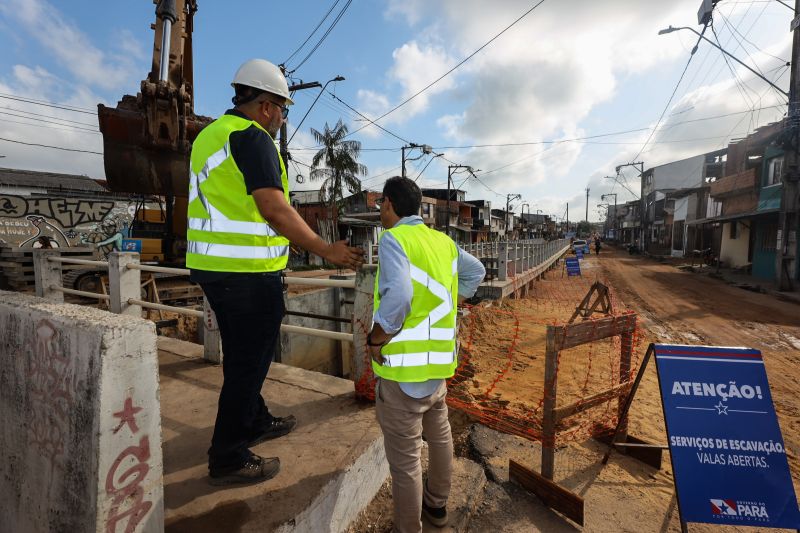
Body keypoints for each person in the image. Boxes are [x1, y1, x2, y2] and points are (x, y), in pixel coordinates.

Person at [187, 58, 364, 485]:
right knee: (249, 363)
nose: (284, 117)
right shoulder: (253, 138)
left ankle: (256, 420)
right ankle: (227, 456)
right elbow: (275, 209)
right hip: (246, 273)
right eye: (282, 108)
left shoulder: (211, 136)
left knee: (243, 357)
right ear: (265, 106)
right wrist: (325, 249)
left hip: (214, 268)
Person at [367, 176, 485, 533]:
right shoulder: (443, 242)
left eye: (381, 205)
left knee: (405, 464)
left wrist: (376, 339)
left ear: (388, 203)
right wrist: (451, 304)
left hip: (401, 372)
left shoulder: (394, 239)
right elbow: (476, 272)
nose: (381, 211)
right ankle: (437, 508)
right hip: (437, 367)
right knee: (440, 436)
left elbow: (400, 297)